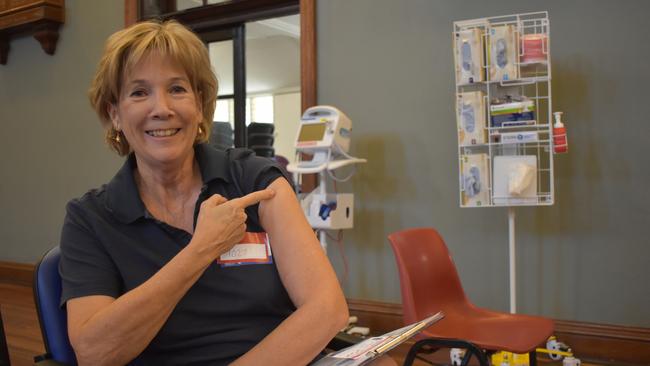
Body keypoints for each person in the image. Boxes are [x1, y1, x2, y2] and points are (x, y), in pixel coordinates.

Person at [59, 19, 351, 365]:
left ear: (199, 104)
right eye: (139, 92)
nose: (162, 108)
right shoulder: (90, 219)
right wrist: (200, 250)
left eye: (178, 89)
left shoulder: (255, 180)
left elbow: (327, 308)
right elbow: (95, 353)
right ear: (115, 115)